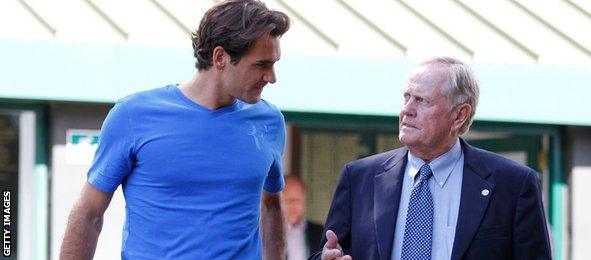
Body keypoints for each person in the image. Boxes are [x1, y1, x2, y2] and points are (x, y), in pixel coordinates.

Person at [59, 1, 290, 259]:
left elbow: (272, 205)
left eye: (273, 64)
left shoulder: (269, 122)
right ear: (220, 57)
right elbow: (88, 213)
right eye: (261, 65)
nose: (272, 77)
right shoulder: (133, 116)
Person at [312, 57, 552, 260]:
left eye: (422, 100)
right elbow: (327, 251)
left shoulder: (513, 184)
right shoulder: (359, 178)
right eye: (406, 97)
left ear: (459, 115)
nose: (407, 109)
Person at [284, 175, 324, 259]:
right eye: (287, 199)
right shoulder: (264, 234)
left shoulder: (321, 233)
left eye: (297, 199)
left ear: (303, 200)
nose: (293, 204)